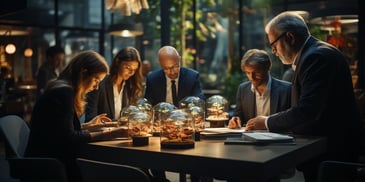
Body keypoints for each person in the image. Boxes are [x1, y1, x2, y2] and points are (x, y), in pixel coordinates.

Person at [245, 11, 363, 182]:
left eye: (274, 44)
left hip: (332, 151)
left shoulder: (315, 57)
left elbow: (307, 110)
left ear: (290, 37)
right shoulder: (315, 53)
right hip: (331, 147)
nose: (273, 51)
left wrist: (266, 121)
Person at [25, 50, 127, 182]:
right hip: (50, 166)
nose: (97, 87)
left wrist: (89, 126)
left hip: (46, 158)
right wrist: (111, 133)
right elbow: (69, 137)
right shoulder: (64, 93)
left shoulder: (61, 88)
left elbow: (60, 129)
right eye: (96, 79)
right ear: (83, 73)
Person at [144, 45, 205, 182]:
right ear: (160, 65)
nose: (171, 72)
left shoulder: (192, 76)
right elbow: (149, 106)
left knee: (196, 154)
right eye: (166, 68)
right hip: (162, 127)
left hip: (187, 125)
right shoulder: (153, 78)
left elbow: (199, 101)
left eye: (175, 66)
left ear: (180, 60)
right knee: (153, 153)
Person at [227, 49, 291, 129]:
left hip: (277, 140)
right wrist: (235, 120)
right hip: (250, 139)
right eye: (248, 73)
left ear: (267, 68)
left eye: (256, 72)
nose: (251, 77)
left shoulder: (287, 90)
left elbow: (292, 120)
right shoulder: (243, 89)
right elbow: (238, 116)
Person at [85, 47, 143, 122]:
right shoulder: (99, 84)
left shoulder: (131, 87)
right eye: (128, 67)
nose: (131, 72)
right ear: (117, 61)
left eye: (134, 70)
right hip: (101, 132)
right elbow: (90, 119)